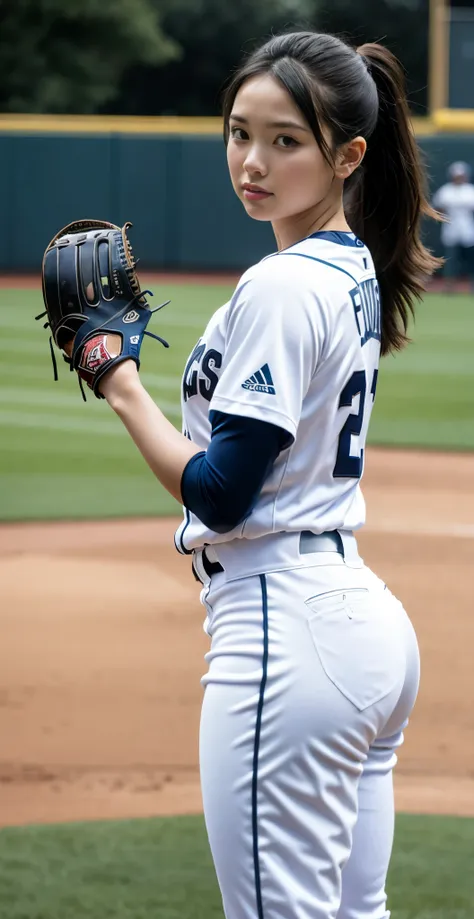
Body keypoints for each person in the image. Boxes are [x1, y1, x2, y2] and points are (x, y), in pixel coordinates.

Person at [68, 31, 441, 919]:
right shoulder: (353, 265)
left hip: (287, 631)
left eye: (286, 140)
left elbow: (222, 491)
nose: (252, 161)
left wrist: (119, 382)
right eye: (240, 132)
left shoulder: (282, 285)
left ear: (347, 155)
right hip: (362, 626)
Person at [432, 160, 474, 290]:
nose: (459, 178)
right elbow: (437, 208)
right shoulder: (446, 191)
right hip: (450, 229)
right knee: (451, 259)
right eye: (457, 175)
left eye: (461, 175)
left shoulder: (470, 191)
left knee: (470, 259)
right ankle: (449, 284)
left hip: (467, 229)